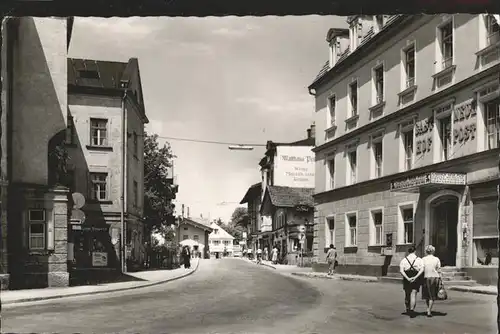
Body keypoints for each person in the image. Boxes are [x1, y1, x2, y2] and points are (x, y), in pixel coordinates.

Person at [399, 245, 424, 316]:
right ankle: (412, 310)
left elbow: (401, 271)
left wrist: (407, 278)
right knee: (414, 294)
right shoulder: (419, 260)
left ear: (408, 252)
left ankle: (407, 309)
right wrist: (415, 277)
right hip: (415, 276)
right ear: (415, 251)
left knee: (407, 294)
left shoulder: (404, 260)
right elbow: (422, 270)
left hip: (407, 276)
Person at [421, 245, 442, 317]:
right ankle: (429, 310)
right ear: (433, 251)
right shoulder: (436, 259)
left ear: (426, 251)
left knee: (427, 294)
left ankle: (428, 309)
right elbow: (439, 269)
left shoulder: (423, 259)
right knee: (432, 294)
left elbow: (421, 269)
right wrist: (441, 279)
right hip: (434, 277)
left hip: (426, 277)